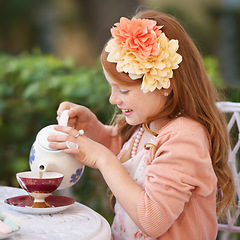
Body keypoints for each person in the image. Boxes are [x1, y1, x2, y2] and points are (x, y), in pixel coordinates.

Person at [47, 10, 235, 240]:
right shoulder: (147, 123)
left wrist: (102, 159)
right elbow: (127, 154)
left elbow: (152, 220)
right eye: (112, 88)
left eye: (124, 90)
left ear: (164, 83)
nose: (113, 99)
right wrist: (94, 129)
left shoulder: (184, 138)